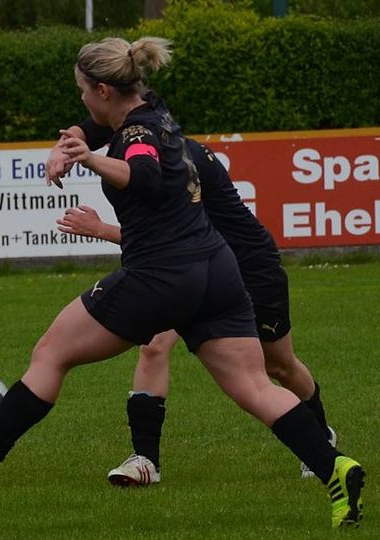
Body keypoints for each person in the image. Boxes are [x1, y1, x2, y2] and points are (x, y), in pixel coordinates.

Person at [0, 36, 364, 529]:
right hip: (216, 270)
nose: (82, 99)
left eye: (83, 90)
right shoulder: (152, 108)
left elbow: (144, 174)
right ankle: (334, 467)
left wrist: (87, 158)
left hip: (161, 275)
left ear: (104, 89)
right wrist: (69, 144)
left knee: (52, 353)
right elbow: (99, 125)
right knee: (256, 386)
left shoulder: (135, 135)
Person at [53, 135, 336, 485]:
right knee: (154, 346)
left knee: (279, 365)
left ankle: (320, 436)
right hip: (196, 270)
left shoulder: (176, 160)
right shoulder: (146, 150)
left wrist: (101, 229)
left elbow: (176, 240)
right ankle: (145, 461)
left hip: (248, 265)